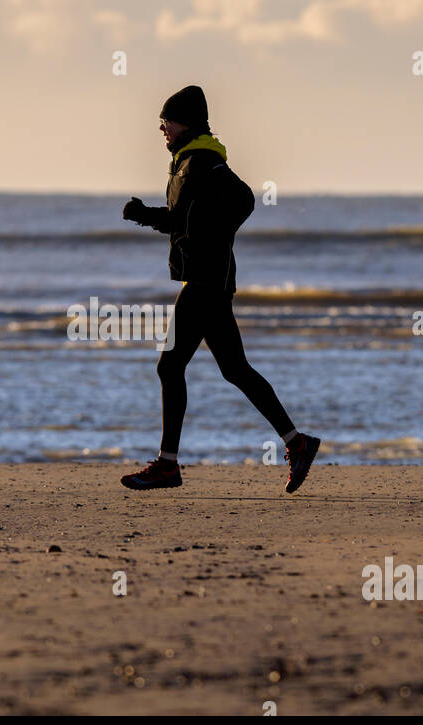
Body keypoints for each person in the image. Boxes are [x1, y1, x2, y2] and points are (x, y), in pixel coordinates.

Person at [119, 84, 321, 493]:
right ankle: (297, 443)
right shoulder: (189, 160)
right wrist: (201, 232)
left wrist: (147, 217)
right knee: (235, 369)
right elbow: (190, 218)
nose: (162, 128)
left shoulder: (200, 162)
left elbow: (239, 202)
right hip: (208, 280)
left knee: (170, 367)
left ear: (186, 122)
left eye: (168, 121)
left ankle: (168, 466)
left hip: (206, 282)